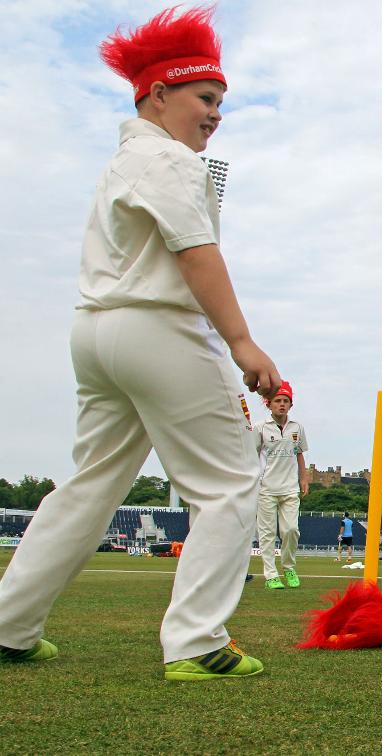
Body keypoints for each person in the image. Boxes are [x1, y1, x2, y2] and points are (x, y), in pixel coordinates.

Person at [0, 6, 279, 680]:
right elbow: (195, 253)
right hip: (156, 329)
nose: (215, 115)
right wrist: (242, 342)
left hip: (95, 332)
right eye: (205, 99)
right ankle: (195, 641)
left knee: (88, 486)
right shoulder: (169, 160)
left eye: (221, 103)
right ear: (158, 94)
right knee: (228, 486)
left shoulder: (125, 161)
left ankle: (9, 626)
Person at [255, 381, 309, 589]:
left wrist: (303, 478)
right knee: (267, 534)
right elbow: (252, 455)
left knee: (291, 530)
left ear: (290, 405)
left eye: (286, 401)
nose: (282, 405)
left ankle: (288, 566)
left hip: (289, 488)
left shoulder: (297, 428)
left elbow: (300, 453)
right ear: (269, 404)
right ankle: (271, 575)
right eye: (278, 401)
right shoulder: (260, 428)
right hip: (266, 488)